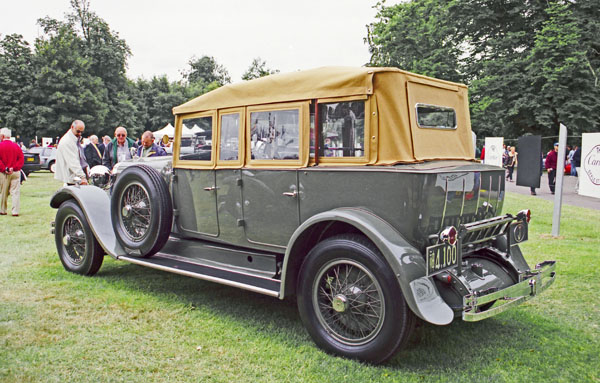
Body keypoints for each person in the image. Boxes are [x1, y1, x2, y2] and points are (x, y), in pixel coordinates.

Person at [55, 120, 89, 185]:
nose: (80, 134)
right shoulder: (67, 141)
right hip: (73, 179)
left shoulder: (74, 140)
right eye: (78, 131)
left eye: (81, 132)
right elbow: (73, 162)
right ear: (72, 127)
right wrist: (82, 177)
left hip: (76, 177)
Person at [0, 128, 24, 216]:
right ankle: (15, 211)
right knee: (15, 192)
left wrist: (5, 168)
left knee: (3, 192)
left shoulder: (0, 146)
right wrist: (13, 168)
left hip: (4, 173)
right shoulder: (16, 146)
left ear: (2, 136)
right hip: (15, 172)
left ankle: (3, 210)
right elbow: (21, 159)